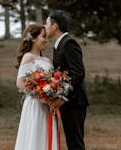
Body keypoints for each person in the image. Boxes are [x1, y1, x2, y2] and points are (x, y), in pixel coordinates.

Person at [46, 10, 88, 150]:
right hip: (69, 103)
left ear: (55, 26)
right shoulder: (59, 44)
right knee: (72, 143)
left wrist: (64, 97)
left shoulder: (69, 43)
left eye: (47, 23)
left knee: (75, 144)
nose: (45, 27)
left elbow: (79, 73)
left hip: (75, 102)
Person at [14, 23, 59, 150]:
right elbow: (20, 82)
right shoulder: (28, 57)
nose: (46, 40)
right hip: (35, 105)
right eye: (43, 36)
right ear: (33, 38)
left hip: (47, 106)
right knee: (35, 136)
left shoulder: (48, 60)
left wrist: (52, 95)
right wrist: (40, 95)